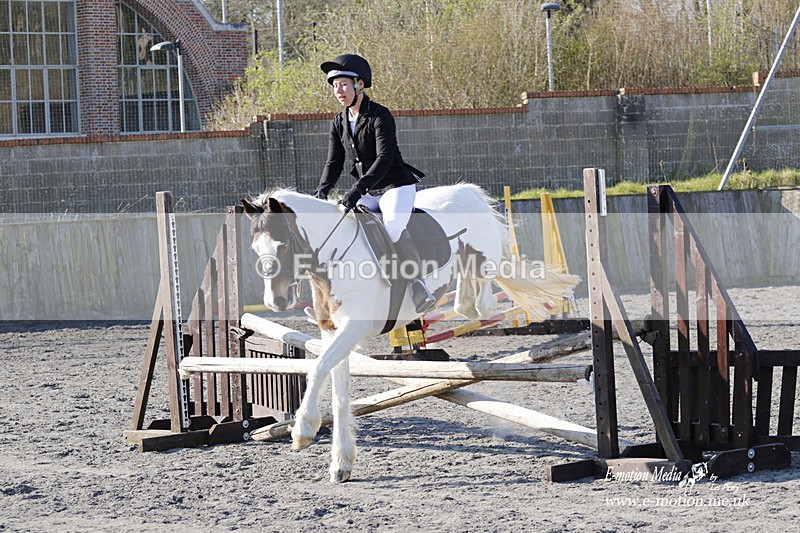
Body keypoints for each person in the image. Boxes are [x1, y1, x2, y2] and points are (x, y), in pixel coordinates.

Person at [313, 53, 436, 314]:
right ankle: (335, 295)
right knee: (340, 227)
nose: (338, 91)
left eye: (343, 84)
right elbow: (333, 162)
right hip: (368, 190)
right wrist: (321, 192)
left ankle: (417, 286)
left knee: (390, 229)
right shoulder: (339, 121)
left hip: (395, 186)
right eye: (334, 86)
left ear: (359, 84)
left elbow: (385, 157)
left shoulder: (380, 115)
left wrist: (357, 189)